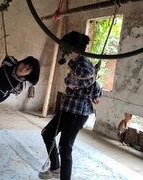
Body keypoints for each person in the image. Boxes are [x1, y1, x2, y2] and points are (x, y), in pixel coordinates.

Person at [38, 31, 102, 180]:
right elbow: (77, 84)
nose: (63, 48)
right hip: (68, 109)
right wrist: (74, 84)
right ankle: (55, 168)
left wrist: (90, 92)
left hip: (78, 113)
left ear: (73, 47)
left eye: (65, 45)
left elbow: (92, 86)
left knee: (65, 147)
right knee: (47, 133)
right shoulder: (74, 62)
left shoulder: (84, 65)